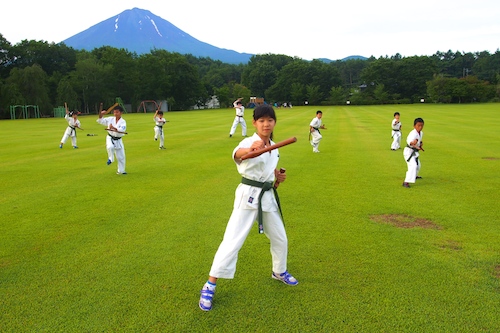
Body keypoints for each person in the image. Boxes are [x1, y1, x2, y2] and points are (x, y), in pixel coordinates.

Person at [199, 104, 298, 312]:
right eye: (261, 121)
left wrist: (277, 178)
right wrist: (250, 150)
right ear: (254, 123)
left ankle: (279, 271)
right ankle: (210, 285)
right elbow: (238, 154)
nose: (266, 124)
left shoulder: (274, 147)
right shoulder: (248, 142)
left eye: (269, 120)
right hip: (248, 197)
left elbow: (269, 175)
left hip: (267, 197)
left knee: (280, 238)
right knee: (232, 241)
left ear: (274, 123)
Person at [97, 105, 127, 175]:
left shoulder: (123, 122)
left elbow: (121, 130)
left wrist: (113, 127)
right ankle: (111, 158)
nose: (115, 114)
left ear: (121, 113)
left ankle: (121, 171)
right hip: (110, 137)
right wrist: (101, 115)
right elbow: (101, 120)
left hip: (118, 139)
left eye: (117, 112)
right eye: (114, 112)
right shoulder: (110, 119)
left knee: (121, 156)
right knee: (110, 147)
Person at [402, 118, 424, 188]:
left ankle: (415, 175)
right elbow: (409, 141)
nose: (420, 127)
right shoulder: (412, 133)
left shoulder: (421, 133)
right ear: (414, 126)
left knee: (418, 166)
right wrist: (413, 143)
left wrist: (420, 144)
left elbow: (419, 141)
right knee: (413, 165)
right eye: (418, 125)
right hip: (409, 152)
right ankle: (406, 182)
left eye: (421, 126)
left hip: (415, 152)